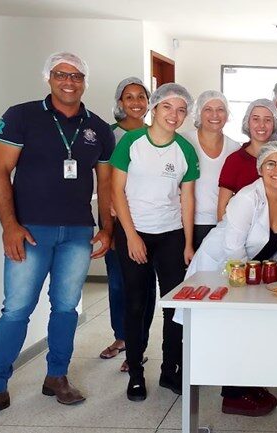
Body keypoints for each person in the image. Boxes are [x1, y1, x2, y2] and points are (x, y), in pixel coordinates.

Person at [0, 52, 114, 425]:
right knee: (16, 310)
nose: (69, 81)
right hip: (30, 231)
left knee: (66, 308)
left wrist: (106, 227)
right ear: (47, 78)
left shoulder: (97, 127)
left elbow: (107, 181)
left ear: (85, 80)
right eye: (60, 74)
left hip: (77, 232)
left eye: (77, 75)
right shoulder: (20, 116)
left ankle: (56, 377)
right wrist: (10, 226)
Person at [187, 141, 277, 417]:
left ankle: (249, 384)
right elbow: (233, 251)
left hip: (254, 274)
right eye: (271, 164)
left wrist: (271, 283)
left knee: (254, 331)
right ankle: (233, 395)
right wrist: (250, 286)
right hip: (224, 271)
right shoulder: (246, 199)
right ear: (260, 168)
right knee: (234, 331)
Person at [110, 83, 200, 402]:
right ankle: (135, 371)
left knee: (174, 306)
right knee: (136, 303)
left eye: (180, 110)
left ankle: (170, 370)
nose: (173, 115)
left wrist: (188, 243)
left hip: (171, 235)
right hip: (134, 231)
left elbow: (187, 199)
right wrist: (132, 235)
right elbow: (116, 191)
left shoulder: (185, 149)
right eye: (167, 108)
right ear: (155, 108)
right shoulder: (132, 142)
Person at [99, 77, 154, 374]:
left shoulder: (157, 133)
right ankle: (121, 337)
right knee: (118, 282)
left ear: (149, 102)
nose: (135, 102)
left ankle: (138, 346)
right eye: (129, 97)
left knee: (143, 285)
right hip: (116, 218)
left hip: (148, 219)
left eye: (141, 97)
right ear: (120, 102)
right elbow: (104, 181)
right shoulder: (109, 134)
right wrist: (108, 223)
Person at [182, 90, 240, 250]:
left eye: (220, 109)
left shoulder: (235, 148)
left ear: (227, 115)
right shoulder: (184, 141)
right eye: (208, 109)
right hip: (185, 225)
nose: (215, 114)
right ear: (198, 114)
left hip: (222, 224)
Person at [217, 98, 277, 220]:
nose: (261, 125)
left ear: (275, 124)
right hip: (241, 232)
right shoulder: (234, 161)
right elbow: (222, 207)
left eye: (267, 120)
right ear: (248, 122)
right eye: (256, 119)